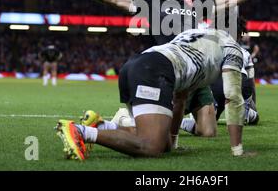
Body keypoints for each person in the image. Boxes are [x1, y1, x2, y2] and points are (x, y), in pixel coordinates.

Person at [69, 0, 276, 137]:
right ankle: (124, 119)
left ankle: (162, 125)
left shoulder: (196, 3)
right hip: (168, 72)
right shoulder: (151, 2)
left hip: (195, 72)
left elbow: (228, 1)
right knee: (160, 131)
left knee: (208, 131)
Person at [55, 28, 248, 159]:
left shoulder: (196, 35)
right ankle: (80, 131)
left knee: (161, 144)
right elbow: (232, 97)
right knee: (151, 146)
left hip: (137, 64)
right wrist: (237, 149)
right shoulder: (232, 48)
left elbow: (180, 98)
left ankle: (103, 126)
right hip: (154, 71)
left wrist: (171, 142)